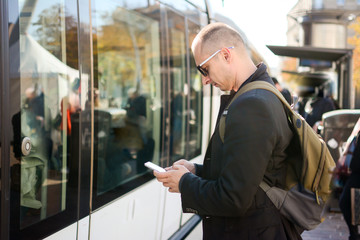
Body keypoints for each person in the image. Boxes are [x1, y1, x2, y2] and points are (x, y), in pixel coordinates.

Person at [154, 22, 300, 239]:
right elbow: (249, 174)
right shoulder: (263, 94)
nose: (204, 79)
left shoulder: (253, 104)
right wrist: (196, 170)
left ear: (225, 55)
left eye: (204, 69)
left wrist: (185, 183)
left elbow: (234, 198)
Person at [338, 118, 360, 240]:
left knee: (346, 202)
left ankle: (355, 234)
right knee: (351, 202)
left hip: (357, 173)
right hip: (355, 172)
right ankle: (354, 234)